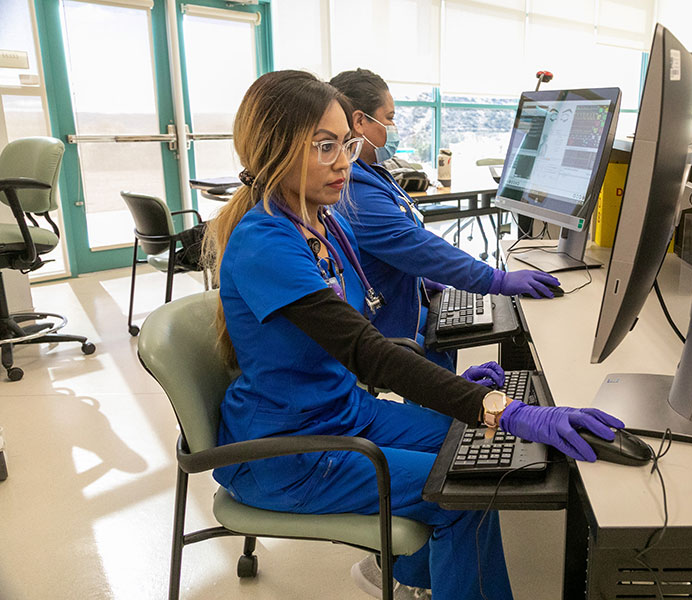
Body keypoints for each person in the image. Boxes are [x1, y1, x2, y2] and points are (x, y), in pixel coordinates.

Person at [204, 70, 624, 600]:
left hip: (343, 412)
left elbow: (369, 328)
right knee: (466, 491)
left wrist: (456, 385)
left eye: (346, 143)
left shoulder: (324, 221)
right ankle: (426, 578)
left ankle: (414, 579)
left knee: (476, 454)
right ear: (275, 151)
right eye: (324, 147)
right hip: (287, 450)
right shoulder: (267, 241)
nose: (344, 162)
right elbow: (366, 350)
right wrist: (498, 406)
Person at [330, 68, 562, 371]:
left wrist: (424, 278)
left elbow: (394, 250)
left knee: (458, 332)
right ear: (360, 121)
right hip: (389, 325)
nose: (393, 126)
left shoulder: (373, 174)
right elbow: (418, 247)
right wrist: (498, 280)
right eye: (389, 117)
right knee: (464, 338)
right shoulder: (354, 192)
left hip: (404, 304)